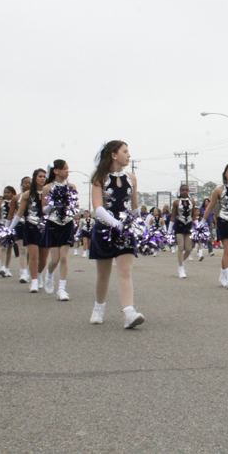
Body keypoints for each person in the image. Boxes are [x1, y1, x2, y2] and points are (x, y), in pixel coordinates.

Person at [89, 140, 145, 328]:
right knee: (103, 274)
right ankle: (98, 308)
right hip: (105, 229)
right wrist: (115, 224)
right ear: (114, 155)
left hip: (126, 230)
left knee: (125, 271)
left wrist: (141, 225)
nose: (129, 155)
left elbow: (134, 206)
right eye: (125, 151)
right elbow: (97, 207)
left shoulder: (132, 178)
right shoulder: (100, 177)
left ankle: (128, 312)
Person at [41, 160, 78, 300]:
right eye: (64, 169)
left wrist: (70, 205)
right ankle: (49, 274)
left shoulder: (72, 187)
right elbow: (44, 210)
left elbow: (75, 206)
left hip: (67, 223)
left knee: (63, 257)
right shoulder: (47, 188)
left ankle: (61, 289)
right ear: (56, 171)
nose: (67, 171)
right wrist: (53, 203)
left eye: (68, 168)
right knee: (55, 259)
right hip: (53, 223)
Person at [9, 169, 49, 293]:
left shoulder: (50, 192)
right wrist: (9, 229)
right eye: (40, 176)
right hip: (31, 226)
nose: (42, 178)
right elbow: (19, 212)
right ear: (35, 179)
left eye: (44, 176)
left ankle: (39, 274)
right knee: (33, 256)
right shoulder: (27, 194)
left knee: (43, 257)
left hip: (46, 227)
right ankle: (34, 281)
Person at [7, 177, 31, 282]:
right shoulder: (16, 198)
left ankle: (26, 268)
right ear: (21, 184)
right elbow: (11, 213)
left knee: (31, 249)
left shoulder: (35, 196)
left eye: (29, 183)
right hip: (20, 224)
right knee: (22, 249)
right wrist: (7, 228)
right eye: (25, 183)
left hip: (32, 223)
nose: (27, 185)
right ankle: (24, 272)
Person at [168, 185, 195, 278]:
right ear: (180, 191)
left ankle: (181, 262)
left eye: (186, 190)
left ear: (188, 191)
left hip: (188, 225)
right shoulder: (176, 202)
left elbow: (194, 215)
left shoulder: (192, 202)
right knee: (180, 246)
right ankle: (181, 269)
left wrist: (197, 226)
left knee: (188, 249)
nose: (184, 192)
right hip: (179, 225)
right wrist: (169, 229)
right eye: (183, 190)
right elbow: (173, 216)